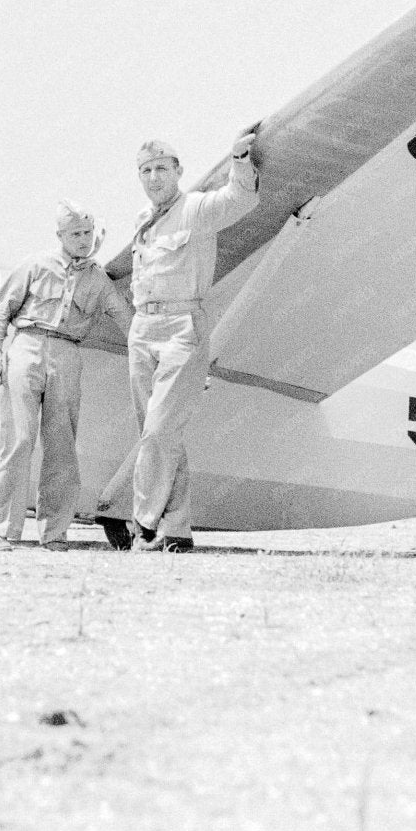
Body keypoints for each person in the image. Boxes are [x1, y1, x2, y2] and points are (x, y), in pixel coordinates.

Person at [97, 129, 260, 553]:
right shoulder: (142, 221)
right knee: (160, 435)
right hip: (143, 330)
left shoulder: (196, 209)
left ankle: (145, 524)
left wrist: (240, 159)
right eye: (146, 171)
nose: (154, 178)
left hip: (183, 328)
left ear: (178, 171)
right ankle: (179, 530)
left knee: (157, 431)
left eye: (161, 169)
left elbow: (240, 200)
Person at [0, 201, 132, 548]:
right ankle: (1, 530)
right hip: (27, 347)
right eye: (75, 234)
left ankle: (54, 532)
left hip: (67, 353)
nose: (83, 240)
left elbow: (128, 324)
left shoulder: (98, 280)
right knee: (18, 441)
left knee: (62, 447)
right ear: (60, 236)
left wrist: (160, 357)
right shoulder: (35, 265)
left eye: (88, 233)